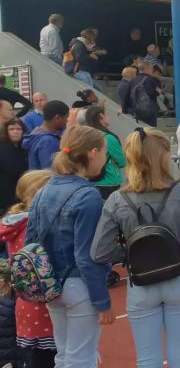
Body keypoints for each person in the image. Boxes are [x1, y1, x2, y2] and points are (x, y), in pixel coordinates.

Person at [91, 127, 180, 368]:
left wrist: (131, 254)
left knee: (147, 358)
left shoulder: (118, 199)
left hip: (141, 281)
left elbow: (99, 251)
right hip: (179, 277)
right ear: (163, 157)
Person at [27, 126, 114, 367]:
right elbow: (87, 255)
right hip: (79, 284)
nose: (105, 159)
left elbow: (30, 243)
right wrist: (101, 299)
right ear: (93, 153)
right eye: (105, 153)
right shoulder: (88, 195)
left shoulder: (42, 191)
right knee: (82, 358)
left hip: (52, 284)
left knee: (64, 355)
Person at [0, 170, 57, 367]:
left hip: (23, 302)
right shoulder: (35, 224)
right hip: (45, 299)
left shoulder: (13, 223)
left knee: (31, 356)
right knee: (51, 356)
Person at [81, 106, 125, 199]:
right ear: (101, 116)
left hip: (89, 180)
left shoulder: (85, 135)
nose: (108, 117)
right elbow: (122, 162)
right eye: (107, 115)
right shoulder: (108, 138)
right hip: (109, 182)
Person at [22, 100, 68, 170]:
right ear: (57, 118)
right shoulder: (48, 141)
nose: (67, 120)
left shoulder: (36, 133)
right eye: (66, 117)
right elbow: (51, 171)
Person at [0, 118, 28, 215]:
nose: (15, 132)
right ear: (6, 132)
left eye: (18, 129)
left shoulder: (23, 149)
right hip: (5, 197)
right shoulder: (3, 148)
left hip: (19, 195)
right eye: (11, 129)